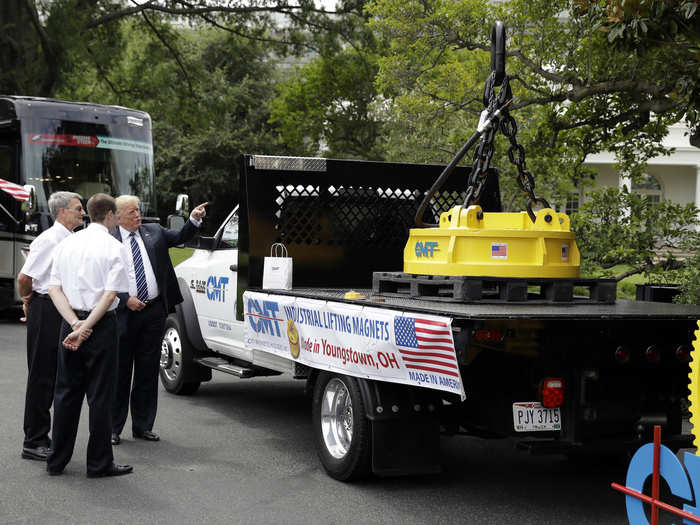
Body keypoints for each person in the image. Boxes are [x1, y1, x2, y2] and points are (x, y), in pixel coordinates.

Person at [47, 193, 133, 477]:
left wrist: (74, 323)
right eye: (116, 216)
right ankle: (98, 463)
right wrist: (87, 327)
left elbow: (53, 288)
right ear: (109, 215)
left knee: (66, 393)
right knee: (100, 396)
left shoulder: (67, 243)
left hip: (69, 321)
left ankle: (56, 460)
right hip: (101, 326)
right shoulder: (114, 246)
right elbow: (110, 295)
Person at [111, 195, 207, 445]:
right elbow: (101, 278)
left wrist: (193, 220)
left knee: (147, 370)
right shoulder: (109, 239)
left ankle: (143, 426)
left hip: (153, 312)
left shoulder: (153, 231)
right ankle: (112, 428)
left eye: (138, 211)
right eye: (131, 213)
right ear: (118, 216)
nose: (137, 216)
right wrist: (124, 299)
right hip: (122, 313)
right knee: (120, 372)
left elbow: (180, 237)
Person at [17, 191, 85, 461]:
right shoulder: (48, 239)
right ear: (62, 212)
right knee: (42, 375)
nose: (82, 213)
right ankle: (33, 440)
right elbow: (25, 277)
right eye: (78, 209)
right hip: (45, 308)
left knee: (58, 375)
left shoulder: (70, 238)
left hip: (61, 308)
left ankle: (46, 436)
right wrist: (26, 299)